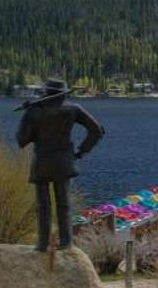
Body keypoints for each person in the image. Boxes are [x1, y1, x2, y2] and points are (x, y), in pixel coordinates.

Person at [15, 78, 105, 252]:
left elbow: (21, 140)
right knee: (64, 203)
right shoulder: (72, 109)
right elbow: (96, 131)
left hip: (42, 162)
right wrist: (81, 151)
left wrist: (26, 116)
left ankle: (42, 243)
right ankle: (66, 242)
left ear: (46, 93)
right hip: (64, 161)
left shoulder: (34, 112)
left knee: (42, 205)